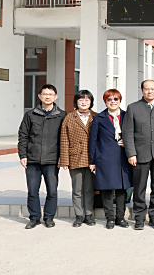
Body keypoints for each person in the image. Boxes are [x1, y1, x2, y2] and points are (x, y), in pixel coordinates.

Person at [123, 80, 154, 230]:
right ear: (142, 91)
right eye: (146, 89)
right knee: (139, 188)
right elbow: (128, 133)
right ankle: (139, 218)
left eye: (152, 89)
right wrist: (131, 153)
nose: (149, 91)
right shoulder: (133, 108)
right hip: (140, 155)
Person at [18, 84, 67, 229]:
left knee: (52, 191)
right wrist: (23, 155)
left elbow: (64, 139)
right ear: (39, 96)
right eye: (44, 94)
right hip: (33, 159)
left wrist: (62, 157)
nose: (47, 97)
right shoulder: (30, 114)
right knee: (33, 191)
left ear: (55, 97)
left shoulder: (61, 115)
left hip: (52, 160)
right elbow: (23, 136)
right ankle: (34, 218)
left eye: (50, 94)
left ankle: (49, 217)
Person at [89, 89, 133, 229]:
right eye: (109, 99)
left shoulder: (127, 116)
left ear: (120, 101)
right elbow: (93, 141)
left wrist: (128, 142)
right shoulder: (99, 118)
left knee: (121, 190)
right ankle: (109, 219)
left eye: (115, 99)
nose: (112, 102)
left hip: (123, 158)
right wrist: (92, 161)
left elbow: (134, 134)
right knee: (106, 189)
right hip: (105, 159)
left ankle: (120, 218)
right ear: (105, 102)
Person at [59, 89, 97, 228]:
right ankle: (79, 215)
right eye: (81, 100)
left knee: (89, 189)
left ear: (91, 102)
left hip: (92, 158)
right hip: (75, 157)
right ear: (76, 102)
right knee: (77, 189)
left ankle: (89, 214)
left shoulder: (97, 116)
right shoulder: (69, 117)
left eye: (87, 99)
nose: (84, 102)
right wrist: (65, 160)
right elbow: (64, 140)